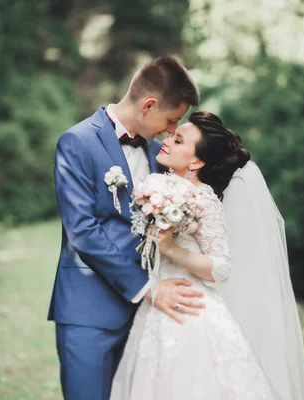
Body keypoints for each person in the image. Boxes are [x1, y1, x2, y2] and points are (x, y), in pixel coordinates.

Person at [110, 111, 304, 399]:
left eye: (178, 140)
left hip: (192, 313)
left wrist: (171, 248)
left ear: (196, 161)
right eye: (173, 135)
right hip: (158, 306)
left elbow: (220, 267)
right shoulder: (161, 186)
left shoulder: (203, 199)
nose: (168, 139)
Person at [48, 57, 202, 400]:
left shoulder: (155, 152)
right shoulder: (76, 142)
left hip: (148, 321)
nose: (170, 131)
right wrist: (149, 288)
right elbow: (82, 232)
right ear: (149, 105)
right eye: (171, 120)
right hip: (90, 313)